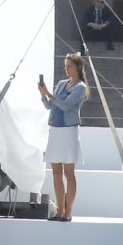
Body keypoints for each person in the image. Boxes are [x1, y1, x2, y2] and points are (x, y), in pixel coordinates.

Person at [38, 56, 88, 221]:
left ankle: (68, 211)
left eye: (70, 67)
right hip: (56, 130)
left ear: (78, 67)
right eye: (66, 67)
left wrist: (50, 95)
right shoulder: (61, 84)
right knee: (56, 172)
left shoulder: (81, 87)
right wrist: (43, 95)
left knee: (69, 172)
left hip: (69, 131)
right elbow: (50, 106)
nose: (67, 70)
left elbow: (66, 105)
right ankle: (60, 210)